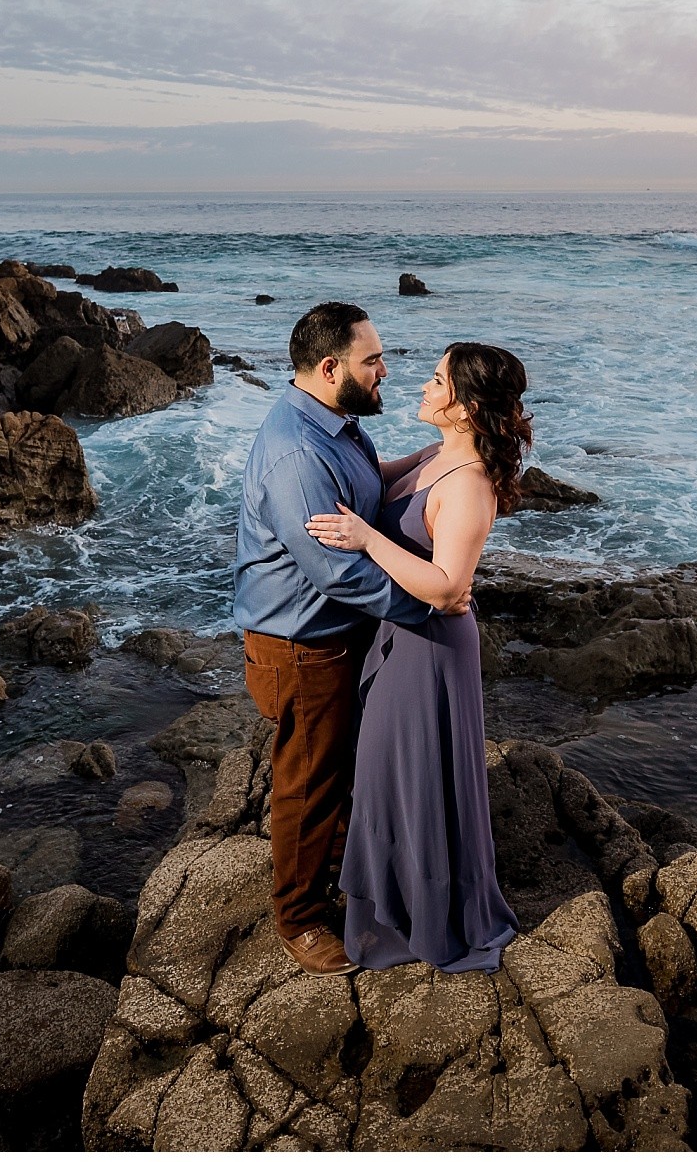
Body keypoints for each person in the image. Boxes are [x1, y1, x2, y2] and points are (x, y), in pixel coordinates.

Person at [234, 301, 465, 976]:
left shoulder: (336, 424)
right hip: (304, 648)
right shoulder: (297, 454)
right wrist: (431, 610)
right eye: (373, 361)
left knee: (337, 771)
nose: (386, 371)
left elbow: (370, 487)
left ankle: (335, 870)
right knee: (310, 784)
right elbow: (338, 573)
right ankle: (298, 919)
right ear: (330, 367)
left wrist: (447, 451)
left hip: (335, 638)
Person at [305, 341, 528, 973]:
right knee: (390, 772)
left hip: (432, 646)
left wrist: (366, 538)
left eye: (437, 379)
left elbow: (449, 586)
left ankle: (427, 920)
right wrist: (314, 421)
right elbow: (369, 477)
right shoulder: (437, 454)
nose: (423, 386)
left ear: (464, 404)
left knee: (411, 775)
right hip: (402, 634)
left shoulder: (471, 484)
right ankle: (395, 905)